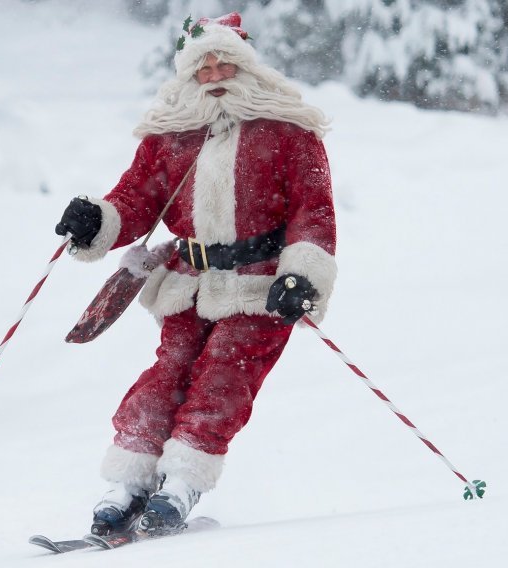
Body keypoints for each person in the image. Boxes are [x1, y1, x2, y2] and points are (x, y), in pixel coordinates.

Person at [55, 12, 337, 536]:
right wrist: (99, 220)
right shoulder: (170, 135)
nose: (214, 70)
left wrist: (304, 274)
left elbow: (313, 213)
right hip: (189, 282)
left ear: (245, 64)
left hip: (261, 286)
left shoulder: (289, 130)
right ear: (187, 74)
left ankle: (182, 481)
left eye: (224, 58)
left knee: (224, 374)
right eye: (202, 63)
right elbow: (137, 199)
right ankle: (130, 481)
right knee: (169, 373)